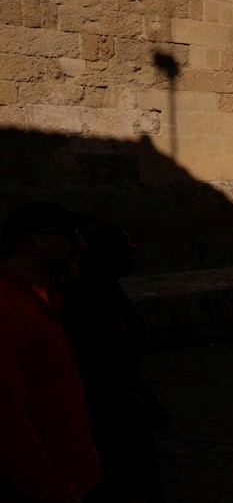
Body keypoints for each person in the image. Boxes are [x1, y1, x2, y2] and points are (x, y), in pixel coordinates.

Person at [0, 202, 100, 502]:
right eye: (70, 234)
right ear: (32, 242)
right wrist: (55, 491)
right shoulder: (12, 315)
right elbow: (9, 424)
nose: (81, 244)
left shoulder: (38, 302)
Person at [62, 225, 168, 503]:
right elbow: (110, 358)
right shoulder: (101, 299)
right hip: (111, 403)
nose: (134, 255)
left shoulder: (100, 292)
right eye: (128, 250)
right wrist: (146, 397)